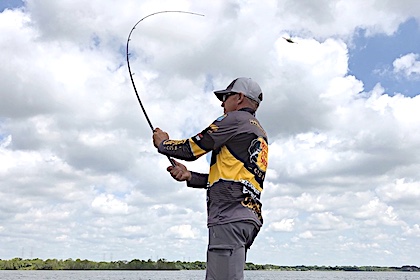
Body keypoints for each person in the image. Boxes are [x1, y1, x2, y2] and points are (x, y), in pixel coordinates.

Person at [152, 77, 268, 280]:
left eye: (225, 97)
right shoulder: (258, 132)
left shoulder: (235, 119)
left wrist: (164, 144)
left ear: (239, 97)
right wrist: (190, 176)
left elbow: (193, 148)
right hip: (247, 219)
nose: (222, 103)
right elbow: (232, 178)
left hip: (228, 217)